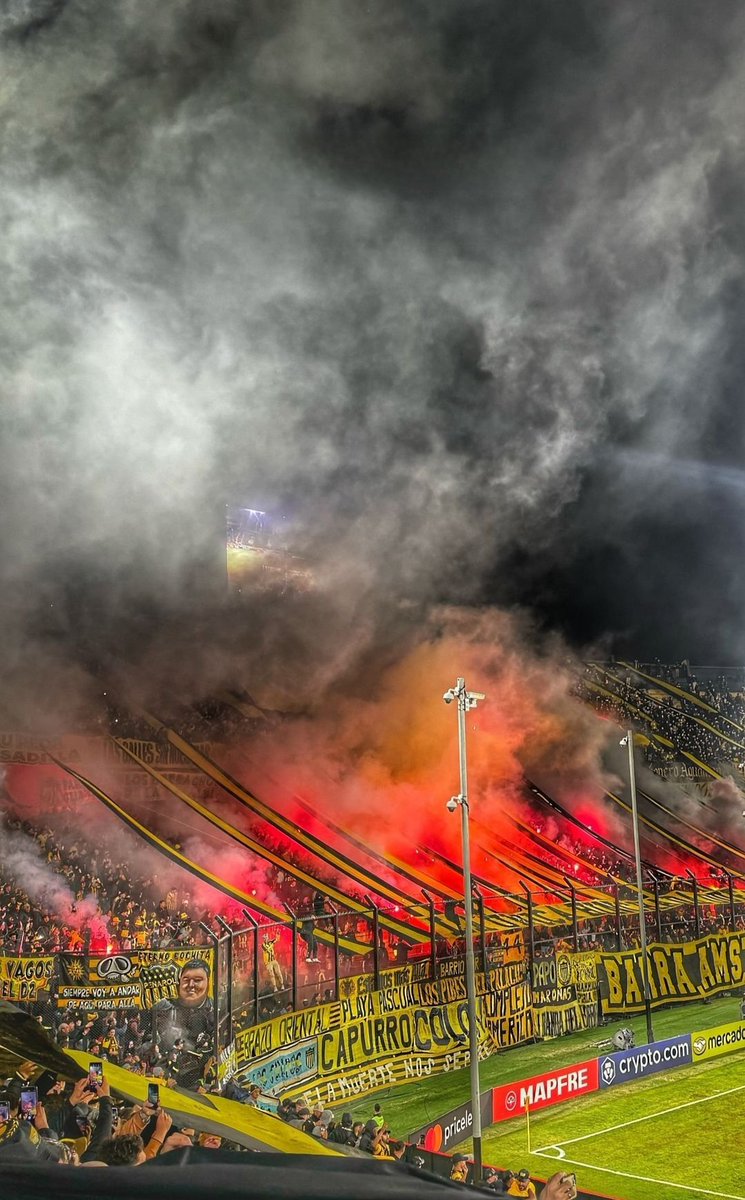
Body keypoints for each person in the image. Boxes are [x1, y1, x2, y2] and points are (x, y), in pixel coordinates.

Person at [151, 958, 214, 1052]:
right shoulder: (166, 1005)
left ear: (208, 981)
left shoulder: (214, 1007)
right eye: (186, 980)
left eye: (197, 980)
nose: (191, 985)